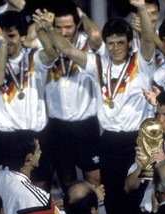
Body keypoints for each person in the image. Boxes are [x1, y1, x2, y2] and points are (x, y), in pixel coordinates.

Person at [37, 0, 155, 214]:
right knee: (111, 196)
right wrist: (48, 28)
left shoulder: (142, 63)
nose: (116, 48)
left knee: (137, 196)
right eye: (111, 43)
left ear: (129, 43)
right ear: (106, 43)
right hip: (109, 140)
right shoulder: (97, 63)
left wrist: (141, 9)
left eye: (120, 42)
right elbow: (66, 49)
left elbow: (147, 38)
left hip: (137, 140)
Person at [0, 11, 57, 174]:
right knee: (6, 190)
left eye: (10, 36)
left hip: (37, 134)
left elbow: (52, 55)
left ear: (22, 37)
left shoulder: (33, 58)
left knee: (40, 185)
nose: (5, 41)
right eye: (1, 36)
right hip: (6, 138)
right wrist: (2, 45)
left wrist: (43, 31)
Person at [40, 0, 103, 192]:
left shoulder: (87, 44)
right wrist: (43, 25)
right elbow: (26, 40)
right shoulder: (47, 44)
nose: (63, 32)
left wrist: (83, 15)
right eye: (58, 27)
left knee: (94, 182)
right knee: (67, 182)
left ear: (77, 25)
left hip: (86, 124)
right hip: (57, 124)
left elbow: (97, 37)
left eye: (68, 27)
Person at [0, 131, 66, 214]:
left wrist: (55, 208)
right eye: (38, 150)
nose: (40, 152)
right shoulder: (36, 199)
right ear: (29, 157)